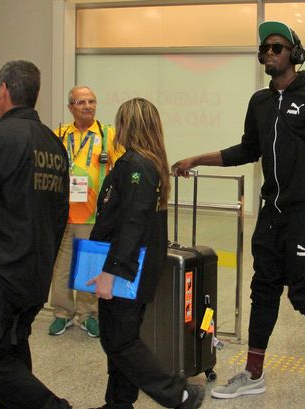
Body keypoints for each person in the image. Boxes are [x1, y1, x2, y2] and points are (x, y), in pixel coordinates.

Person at [172, 21, 305, 401]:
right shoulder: (260, 102)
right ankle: (253, 373)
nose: (269, 53)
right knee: (263, 289)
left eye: (277, 47)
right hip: (273, 209)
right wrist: (199, 157)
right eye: (264, 48)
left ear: (295, 53)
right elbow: (249, 149)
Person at [87, 98, 204, 409]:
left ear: (129, 125)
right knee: (119, 337)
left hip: (127, 268)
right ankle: (119, 402)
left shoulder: (136, 166)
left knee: (120, 340)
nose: (116, 129)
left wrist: (111, 272)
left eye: (120, 122)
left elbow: (132, 223)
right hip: (133, 266)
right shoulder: (144, 163)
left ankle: (178, 394)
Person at [0, 60, 71, 408]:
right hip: (34, 274)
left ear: (3, 90)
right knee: (13, 347)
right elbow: (61, 214)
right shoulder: (53, 145)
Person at [49, 85, 122, 338]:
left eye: (91, 101)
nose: (88, 106)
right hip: (63, 214)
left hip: (93, 215)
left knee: (90, 265)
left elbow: (122, 165)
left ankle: (88, 314)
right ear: (71, 107)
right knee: (61, 267)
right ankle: (61, 313)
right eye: (81, 102)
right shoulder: (59, 135)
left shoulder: (107, 133)